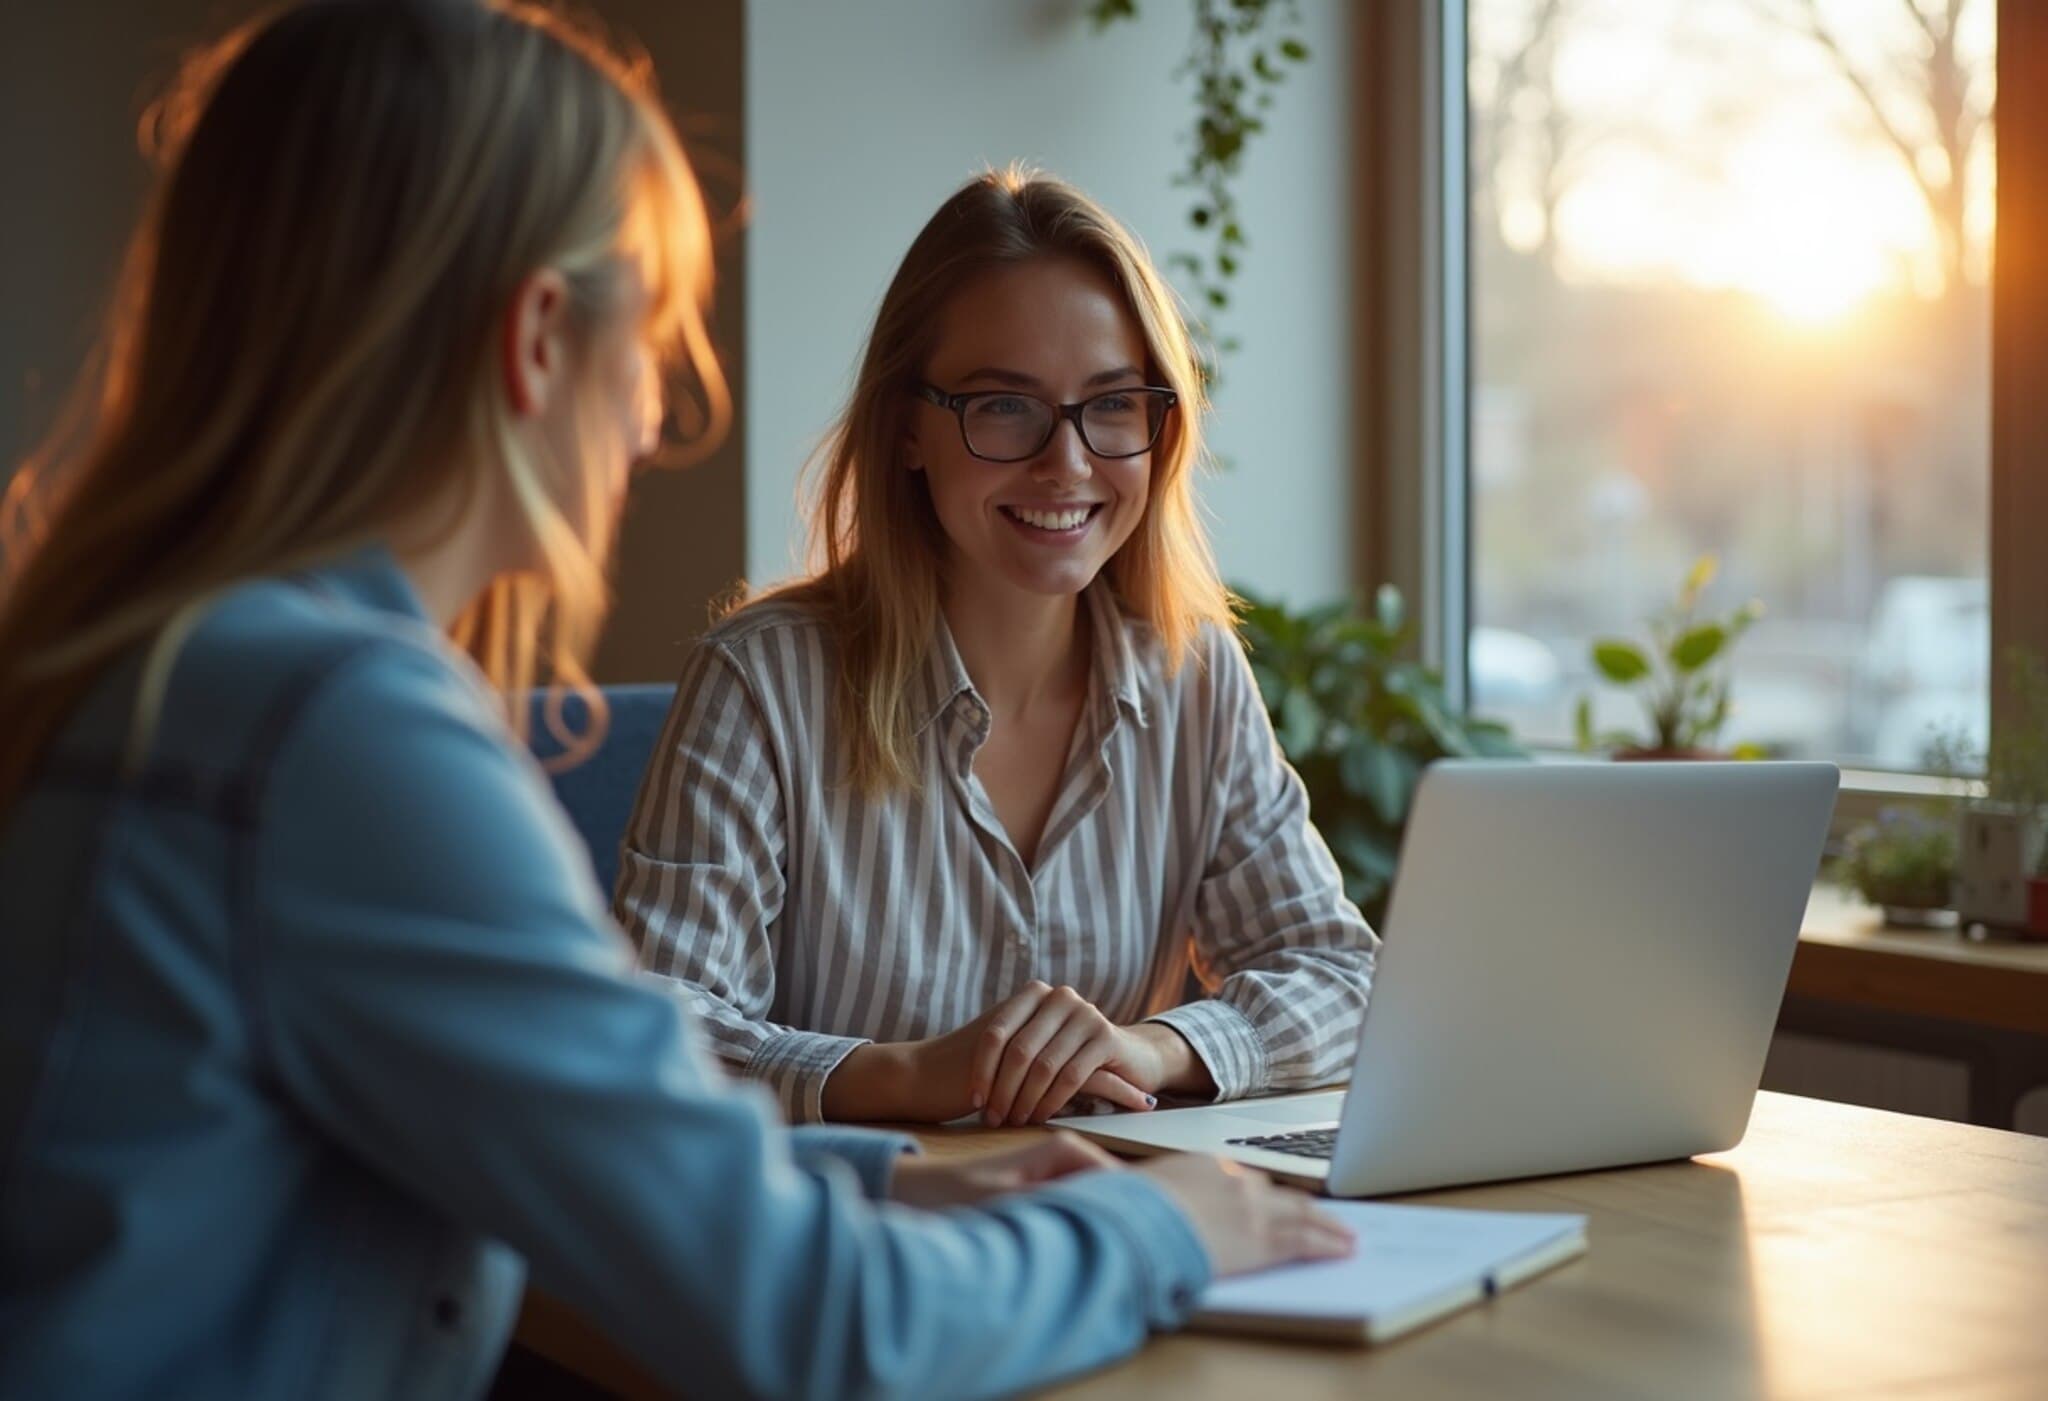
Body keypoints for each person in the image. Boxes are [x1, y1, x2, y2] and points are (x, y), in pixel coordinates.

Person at [0, 4, 1352, 1398]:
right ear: (537, 339)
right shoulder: (341, 734)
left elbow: (578, 1142)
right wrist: (1144, 1224)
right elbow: (816, 1328)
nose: (656, 413)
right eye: (650, 334)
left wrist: (906, 1178)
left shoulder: (165, 669)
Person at [617, 171, 1381, 1130]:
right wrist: (912, 1076)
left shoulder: (1194, 676)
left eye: (1112, 406)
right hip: (863, 1240)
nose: (1066, 464)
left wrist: (1151, 1045)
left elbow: (1341, 976)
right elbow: (653, 1034)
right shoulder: (763, 683)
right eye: (1005, 407)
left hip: (1104, 1230)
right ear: (906, 430)